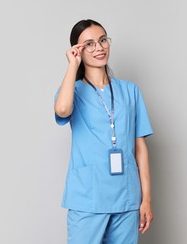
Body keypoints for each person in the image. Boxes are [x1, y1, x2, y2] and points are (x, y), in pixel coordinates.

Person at [53, 19, 154, 244]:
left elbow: (140, 147)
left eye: (102, 40)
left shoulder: (130, 91)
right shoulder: (72, 91)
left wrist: (146, 199)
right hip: (88, 197)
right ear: (77, 50)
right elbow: (62, 109)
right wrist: (72, 65)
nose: (99, 48)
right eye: (89, 44)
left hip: (126, 197)